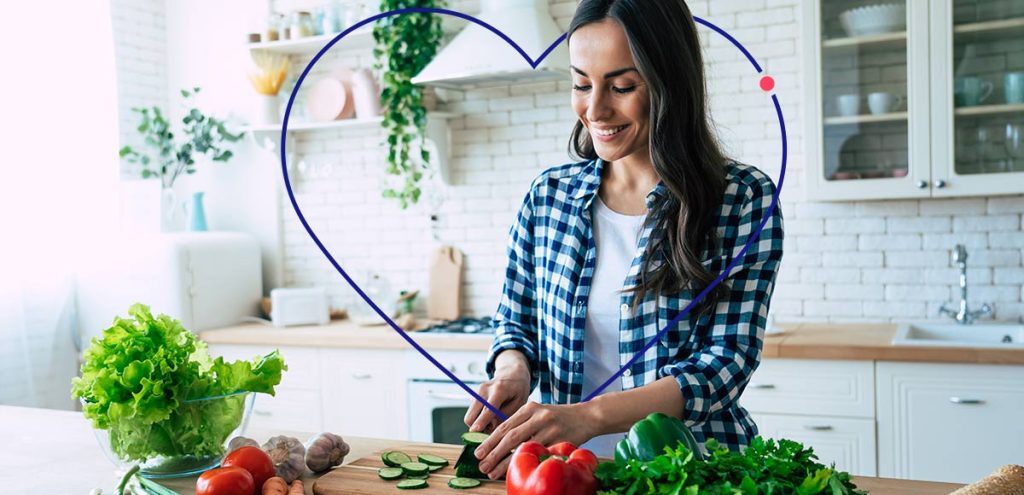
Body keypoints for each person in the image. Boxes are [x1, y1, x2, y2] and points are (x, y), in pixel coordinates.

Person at [462, 0, 784, 480]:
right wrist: (513, 371)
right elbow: (516, 322)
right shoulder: (548, 196)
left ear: (668, 81)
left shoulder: (740, 199)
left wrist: (587, 416)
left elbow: (723, 364)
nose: (595, 109)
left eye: (622, 86)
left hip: (693, 476)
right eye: (581, 84)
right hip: (564, 474)